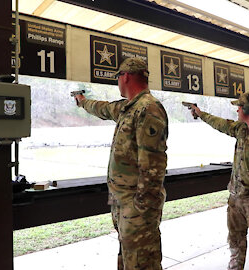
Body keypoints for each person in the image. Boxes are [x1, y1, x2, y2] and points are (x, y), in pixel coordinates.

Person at [73, 58, 168, 270]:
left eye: (118, 77)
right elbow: (103, 108)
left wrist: (142, 210)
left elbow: (153, 166)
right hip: (125, 204)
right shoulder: (129, 108)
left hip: (137, 207)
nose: (118, 82)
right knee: (128, 261)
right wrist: (82, 101)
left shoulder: (148, 109)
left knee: (143, 264)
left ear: (125, 76)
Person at [187, 92, 249, 270]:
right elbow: (219, 123)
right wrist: (201, 114)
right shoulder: (240, 129)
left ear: (248, 109)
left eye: (239, 107)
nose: (237, 110)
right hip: (236, 200)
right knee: (235, 243)